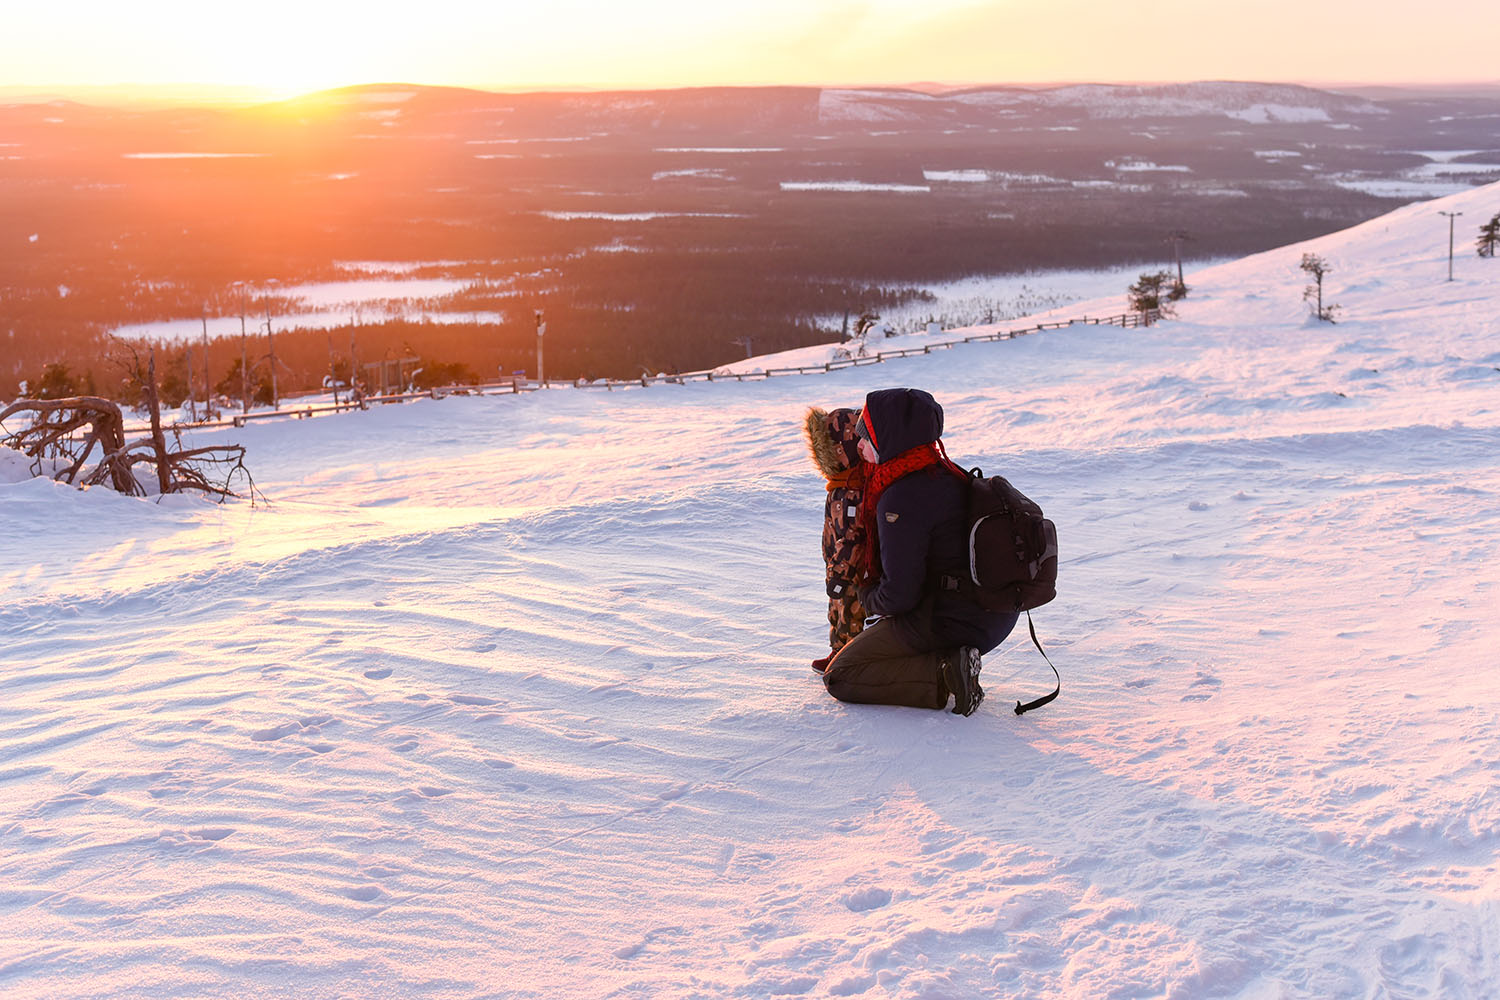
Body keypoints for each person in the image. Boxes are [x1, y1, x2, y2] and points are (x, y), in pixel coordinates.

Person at [822, 387, 1018, 716]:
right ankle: (950, 662)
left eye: (866, 437)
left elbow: (900, 596)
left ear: (891, 438)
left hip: (954, 619)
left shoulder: (900, 497)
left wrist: (866, 596)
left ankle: (946, 671)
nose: (858, 446)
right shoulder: (942, 470)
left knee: (841, 675)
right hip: (994, 613)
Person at [803, 406, 868, 672]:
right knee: (838, 611)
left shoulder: (853, 490)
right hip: (836, 566)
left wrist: (841, 571)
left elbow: (854, 535)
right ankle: (837, 652)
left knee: (853, 613)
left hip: (850, 571)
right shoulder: (839, 485)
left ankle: (851, 662)